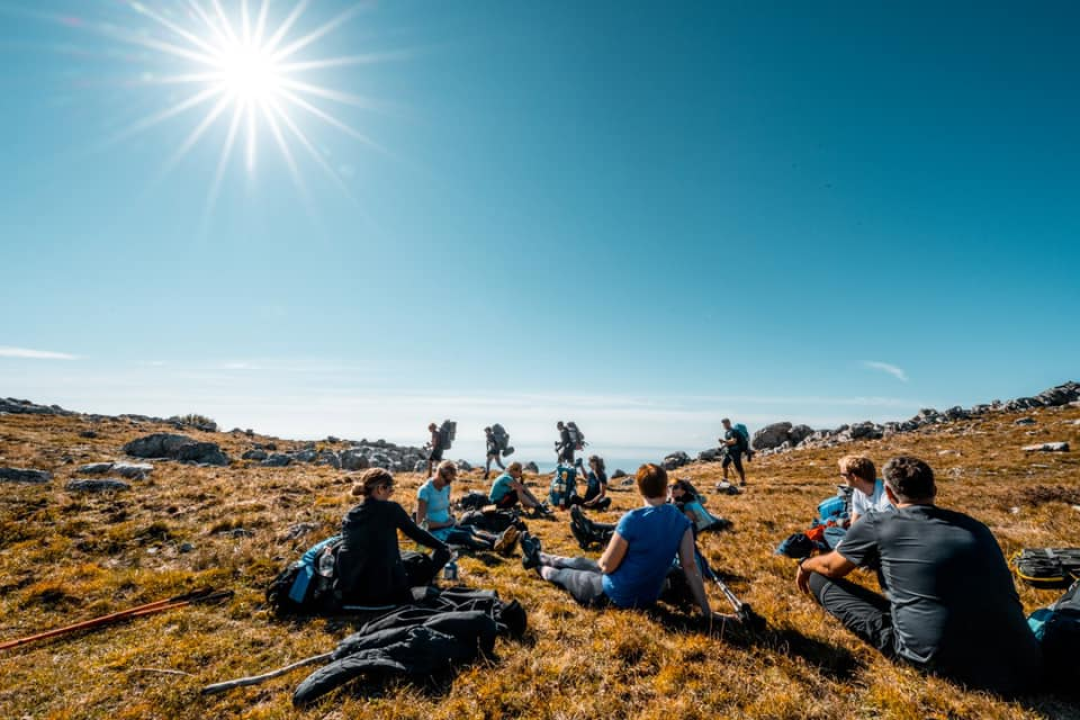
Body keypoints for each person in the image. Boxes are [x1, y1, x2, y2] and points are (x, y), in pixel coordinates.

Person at [796, 456, 1043, 696]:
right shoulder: (975, 526)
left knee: (820, 578)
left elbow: (831, 567)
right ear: (934, 489)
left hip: (940, 661)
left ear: (890, 495)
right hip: (1023, 662)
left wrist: (806, 564)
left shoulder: (876, 523)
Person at [522, 463, 716, 619]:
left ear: (639, 489)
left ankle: (535, 563)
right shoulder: (681, 521)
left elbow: (606, 566)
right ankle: (540, 554)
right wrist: (708, 612)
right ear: (665, 489)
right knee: (581, 562)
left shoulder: (632, 519)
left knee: (563, 575)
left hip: (617, 595)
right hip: (648, 594)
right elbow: (690, 566)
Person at [334, 468, 452, 606]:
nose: (392, 493)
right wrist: (444, 548)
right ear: (380, 488)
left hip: (354, 592)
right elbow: (417, 534)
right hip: (386, 593)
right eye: (390, 489)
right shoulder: (391, 509)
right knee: (434, 556)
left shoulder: (350, 514)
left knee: (405, 557)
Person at [417, 460, 520, 555]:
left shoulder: (446, 487)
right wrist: (443, 524)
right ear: (439, 474)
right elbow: (421, 523)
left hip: (449, 525)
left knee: (471, 528)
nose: (448, 484)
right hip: (436, 533)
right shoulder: (425, 491)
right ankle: (499, 546)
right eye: (447, 481)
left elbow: (447, 505)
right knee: (464, 535)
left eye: (450, 481)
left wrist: (451, 517)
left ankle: (500, 539)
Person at [838, 454, 893, 525]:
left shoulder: (886, 493)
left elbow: (888, 525)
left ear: (854, 477)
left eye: (843, 474)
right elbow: (854, 524)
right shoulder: (858, 491)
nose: (842, 477)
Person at [719, 418, 748, 486]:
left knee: (738, 466)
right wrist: (721, 447)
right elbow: (728, 443)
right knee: (724, 464)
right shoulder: (726, 433)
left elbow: (734, 441)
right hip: (729, 451)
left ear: (729, 423)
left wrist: (723, 441)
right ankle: (725, 479)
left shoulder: (733, 431)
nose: (724, 425)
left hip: (736, 451)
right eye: (723, 424)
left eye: (725, 423)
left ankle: (743, 481)